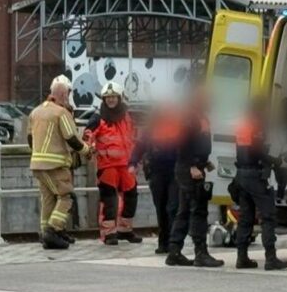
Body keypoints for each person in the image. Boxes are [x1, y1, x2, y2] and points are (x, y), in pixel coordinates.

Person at [28, 75, 92, 250]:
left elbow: (29, 138)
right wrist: (87, 150)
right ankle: (53, 230)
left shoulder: (36, 112)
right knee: (66, 196)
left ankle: (46, 233)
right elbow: (71, 138)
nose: (69, 96)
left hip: (37, 164)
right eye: (68, 93)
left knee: (48, 198)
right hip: (55, 165)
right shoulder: (61, 112)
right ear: (64, 94)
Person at [166, 87, 223, 268]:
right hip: (189, 169)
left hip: (192, 167)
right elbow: (183, 144)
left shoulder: (197, 116)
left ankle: (174, 251)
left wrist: (204, 163)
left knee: (184, 210)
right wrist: (192, 165)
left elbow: (196, 144)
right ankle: (201, 253)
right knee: (198, 210)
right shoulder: (191, 117)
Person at [233, 97, 287, 271]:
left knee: (245, 217)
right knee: (268, 216)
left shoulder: (242, 125)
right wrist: (276, 161)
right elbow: (256, 152)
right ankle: (270, 258)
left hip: (241, 175)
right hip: (255, 176)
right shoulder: (256, 125)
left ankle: (241, 257)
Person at [84, 82, 140, 245]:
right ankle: (108, 233)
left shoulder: (127, 116)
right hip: (107, 166)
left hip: (127, 165)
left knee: (131, 197)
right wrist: (88, 148)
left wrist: (137, 158)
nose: (110, 100)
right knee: (110, 201)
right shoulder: (98, 117)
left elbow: (133, 137)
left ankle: (125, 230)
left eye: (113, 97)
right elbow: (88, 135)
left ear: (119, 98)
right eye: (107, 98)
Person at [131, 102, 183, 255]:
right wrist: (132, 162)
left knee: (172, 207)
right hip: (157, 171)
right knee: (161, 207)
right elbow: (139, 146)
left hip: (174, 171)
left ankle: (173, 243)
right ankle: (164, 242)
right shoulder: (151, 129)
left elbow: (186, 146)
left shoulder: (179, 127)